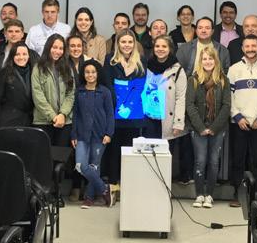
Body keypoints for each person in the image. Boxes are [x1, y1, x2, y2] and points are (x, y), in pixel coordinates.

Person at [227, 35, 257, 205]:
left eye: (254, 46)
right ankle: (238, 194)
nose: (250, 49)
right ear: (242, 48)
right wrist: (238, 117)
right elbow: (229, 97)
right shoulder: (233, 69)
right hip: (238, 122)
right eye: (247, 46)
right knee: (238, 159)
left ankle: (255, 196)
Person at [186, 46, 231, 209]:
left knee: (213, 161)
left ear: (216, 60)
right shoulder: (194, 80)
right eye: (204, 58)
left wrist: (214, 127)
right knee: (200, 160)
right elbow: (189, 105)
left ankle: (209, 195)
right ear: (200, 61)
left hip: (217, 128)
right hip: (198, 128)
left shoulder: (223, 80)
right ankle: (199, 194)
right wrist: (201, 127)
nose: (208, 61)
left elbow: (227, 106)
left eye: (211, 58)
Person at [103, 29, 148, 186]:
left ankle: (129, 184)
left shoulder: (141, 61)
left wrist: (128, 106)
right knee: (114, 150)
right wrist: (119, 106)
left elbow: (139, 86)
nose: (127, 45)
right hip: (115, 113)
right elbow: (108, 85)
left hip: (134, 114)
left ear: (134, 44)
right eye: (123, 42)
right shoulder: (110, 60)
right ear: (118, 44)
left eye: (130, 42)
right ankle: (114, 184)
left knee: (130, 150)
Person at [144, 35, 191, 183]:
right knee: (150, 154)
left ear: (170, 49)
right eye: (157, 46)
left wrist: (178, 123)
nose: (160, 49)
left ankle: (164, 186)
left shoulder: (178, 70)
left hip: (167, 119)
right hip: (149, 118)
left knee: (165, 156)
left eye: (164, 46)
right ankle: (150, 185)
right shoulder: (146, 66)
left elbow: (180, 98)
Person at [71, 60, 114, 208]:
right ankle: (104, 189)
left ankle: (89, 198)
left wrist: (109, 133)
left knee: (94, 166)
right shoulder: (79, 91)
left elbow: (110, 114)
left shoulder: (105, 92)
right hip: (82, 134)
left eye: (93, 72)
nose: (90, 75)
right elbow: (75, 114)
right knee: (81, 165)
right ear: (83, 74)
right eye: (87, 72)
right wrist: (73, 134)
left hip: (100, 134)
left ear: (98, 74)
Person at [31, 34, 75, 149]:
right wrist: (53, 116)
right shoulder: (38, 68)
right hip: (43, 121)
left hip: (64, 122)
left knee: (61, 160)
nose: (57, 51)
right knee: (44, 159)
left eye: (61, 48)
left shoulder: (67, 68)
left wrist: (62, 114)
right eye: (54, 47)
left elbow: (70, 94)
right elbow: (37, 95)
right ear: (48, 47)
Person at [0, 42, 34, 128]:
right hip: (8, 120)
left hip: (29, 121)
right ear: (12, 56)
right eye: (17, 54)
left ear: (29, 56)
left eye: (24, 54)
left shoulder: (34, 72)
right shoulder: (4, 73)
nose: (21, 57)